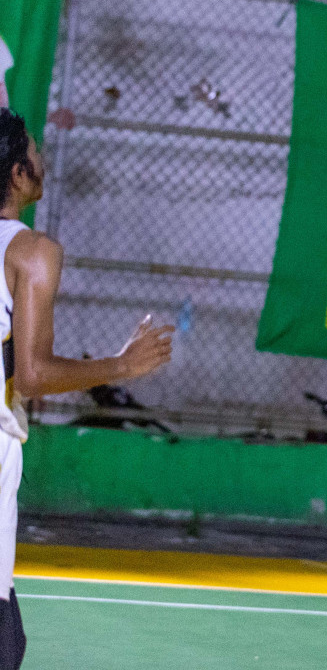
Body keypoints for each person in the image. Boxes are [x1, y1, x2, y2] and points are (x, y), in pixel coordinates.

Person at [0, 108, 175, 669]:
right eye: (33, 147)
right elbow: (31, 373)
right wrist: (119, 367)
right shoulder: (31, 252)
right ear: (19, 174)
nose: (41, 156)